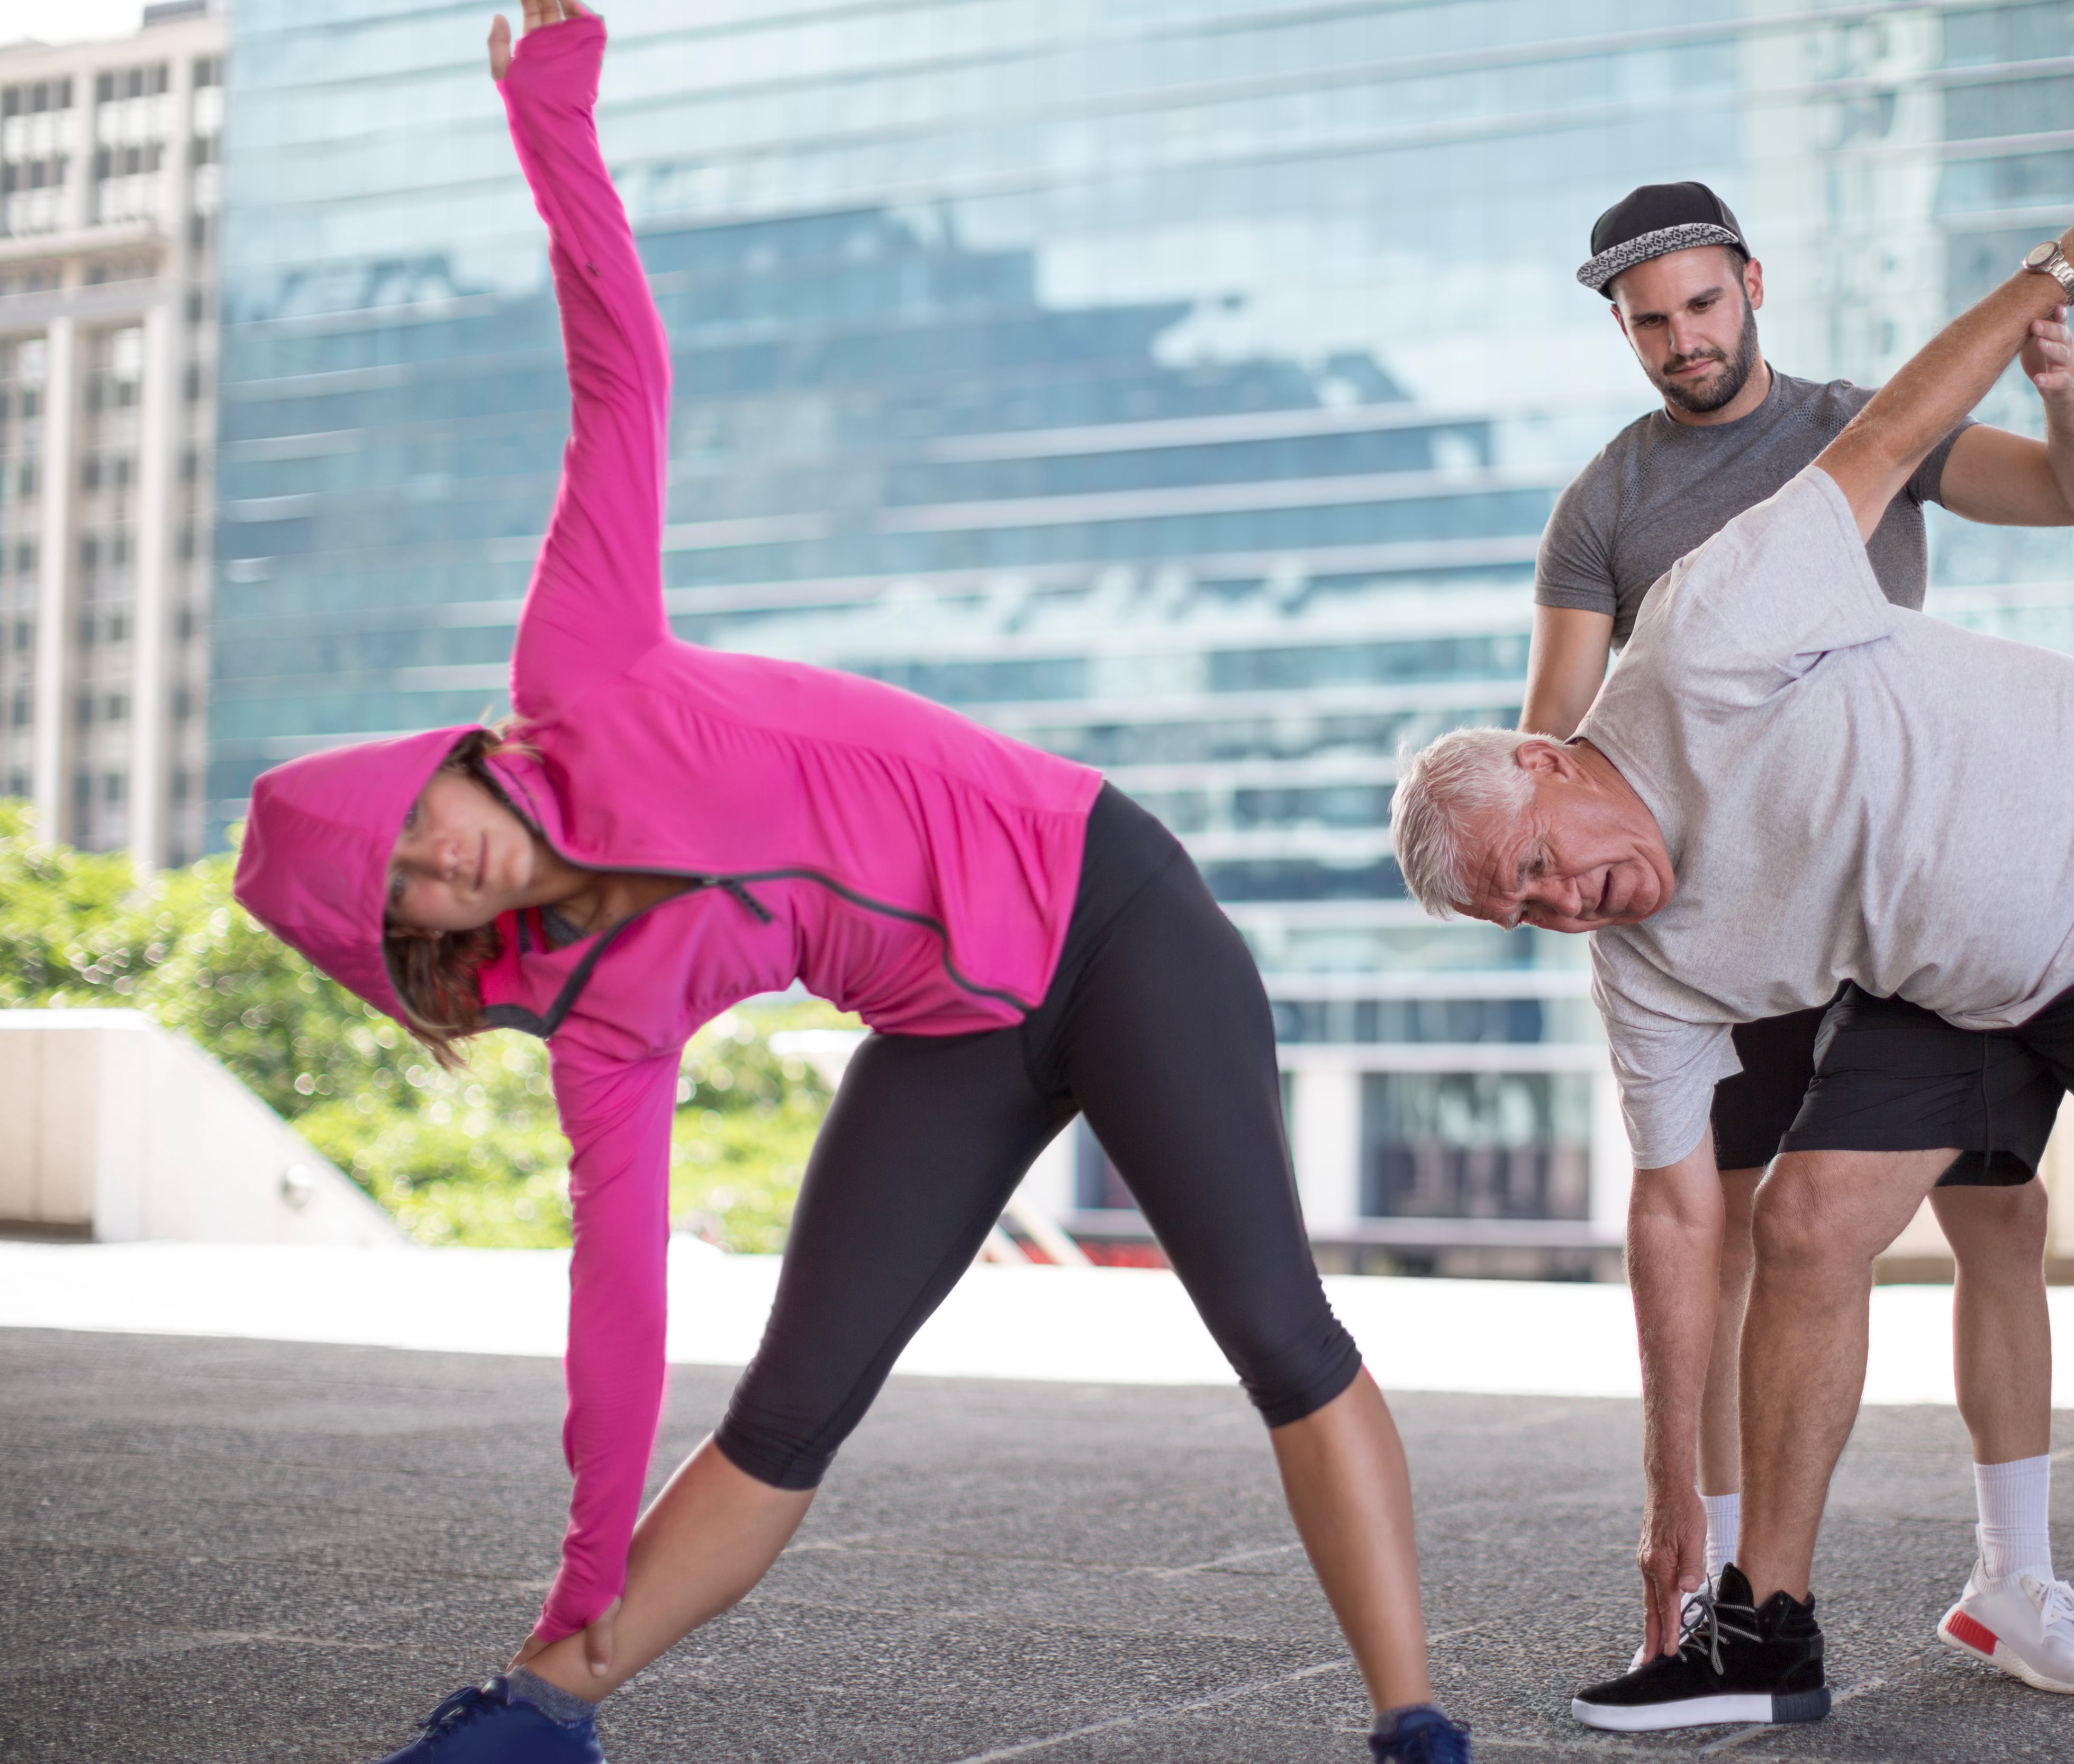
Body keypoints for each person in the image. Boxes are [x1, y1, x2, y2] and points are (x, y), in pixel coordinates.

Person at [229, 8, 1471, 1762]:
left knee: (1274, 1326)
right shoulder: (600, 1015)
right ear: (426, 955)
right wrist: (584, 1549)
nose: (443, 859)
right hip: (956, 1031)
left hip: (1111, 913)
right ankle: (536, 1711)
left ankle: (1415, 1722)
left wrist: (552, 108)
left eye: (416, 820)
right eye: (411, 897)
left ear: (432, 765)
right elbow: (618, 1291)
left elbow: (620, 372)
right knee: (791, 1403)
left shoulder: (580, 672)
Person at [1390, 118, 2074, 1762]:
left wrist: (2073, 267)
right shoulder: (1634, 929)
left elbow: (1910, 428)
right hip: (1936, 959)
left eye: (1539, 868)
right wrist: (1674, 1492)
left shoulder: (1722, 608)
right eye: (1519, 909)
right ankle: (1766, 1630)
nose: (1558, 906)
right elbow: (1673, 1221)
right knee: (1800, 1225)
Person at [1529, 178, 2074, 1698]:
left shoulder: (1858, 425)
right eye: (1648, 322)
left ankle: (2016, 1583)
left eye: (1700, 304)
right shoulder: (1605, 502)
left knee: (2001, 1226)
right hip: (1743, 919)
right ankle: (1727, 1604)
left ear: (1750, 281)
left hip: (1915, 894)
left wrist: (2066, 391)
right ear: (1623, 331)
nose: (1682, 341)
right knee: (1734, 1240)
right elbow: (1554, 729)